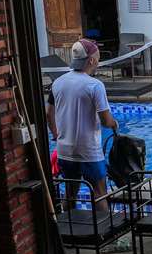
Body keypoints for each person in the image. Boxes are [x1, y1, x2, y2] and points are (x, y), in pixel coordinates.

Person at [49, 37, 119, 211]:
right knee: (99, 193)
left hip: (65, 150)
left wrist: (56, 134)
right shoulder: (95, 86)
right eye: (97, 59)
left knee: (70, 194)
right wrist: (114, 123)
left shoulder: (58, 82)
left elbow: (48, 114)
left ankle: (70, 232)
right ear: (92, 60)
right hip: (89, 151)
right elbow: (105, 120)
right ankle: (104, 235)